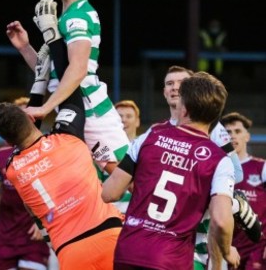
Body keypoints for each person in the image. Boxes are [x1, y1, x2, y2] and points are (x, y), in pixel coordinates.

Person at [6, 0, 129, 174]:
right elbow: (54, 73)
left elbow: (78, 69)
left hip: (91, 113)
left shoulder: (79, 18)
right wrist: (25, 48)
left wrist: (45, 108)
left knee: (127, 180)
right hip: (73, 109)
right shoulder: (65, 18)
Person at [102, 71, 240, 270]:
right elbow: (220, 219)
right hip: (171, 260)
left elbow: (109, 193)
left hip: (129, 252)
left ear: (183, 109)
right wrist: (227, 251)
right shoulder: (219, 160)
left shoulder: (149, 136)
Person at [0, 99, 123, 269]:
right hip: (110, 233)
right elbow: (73, 100)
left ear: (7, 142)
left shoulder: (12, 169)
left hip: (70, 250)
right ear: (31, 118)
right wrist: (43, 106)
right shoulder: (66, 138)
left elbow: (22, 142)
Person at [154, 65, 249, 269]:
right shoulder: (157, 131)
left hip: (203, 235)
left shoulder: (212, 128)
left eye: (181, 83)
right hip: (163, 231)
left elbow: (237, 174)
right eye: (169, 83)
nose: (175, 88)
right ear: (163, 91)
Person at [0, 96, 51, 270]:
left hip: (34, 231)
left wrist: (45, 224)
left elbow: (57, 191)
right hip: (6, 232)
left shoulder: (47, 150)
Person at [221, 111, 266, 269]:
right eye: (228, 132)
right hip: (225, 246)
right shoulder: (218, 169)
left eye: (237, 131)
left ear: (247, 136)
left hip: (256, 247)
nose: (232, 136)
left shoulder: (262, 167)